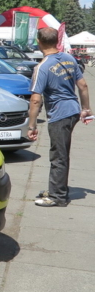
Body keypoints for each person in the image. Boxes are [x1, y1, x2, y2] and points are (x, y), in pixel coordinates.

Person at [27, 26, 92, 207]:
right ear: (57, 41)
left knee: (58, 155)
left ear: (39, 42)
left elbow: (35, 100)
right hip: (73, 111)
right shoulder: (69, 59)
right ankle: (57, 188)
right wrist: (86, 109)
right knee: (62, 152)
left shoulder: (42, 67)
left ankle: (57, 196)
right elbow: (83, 85)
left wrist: (31, 126)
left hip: (59, 114)